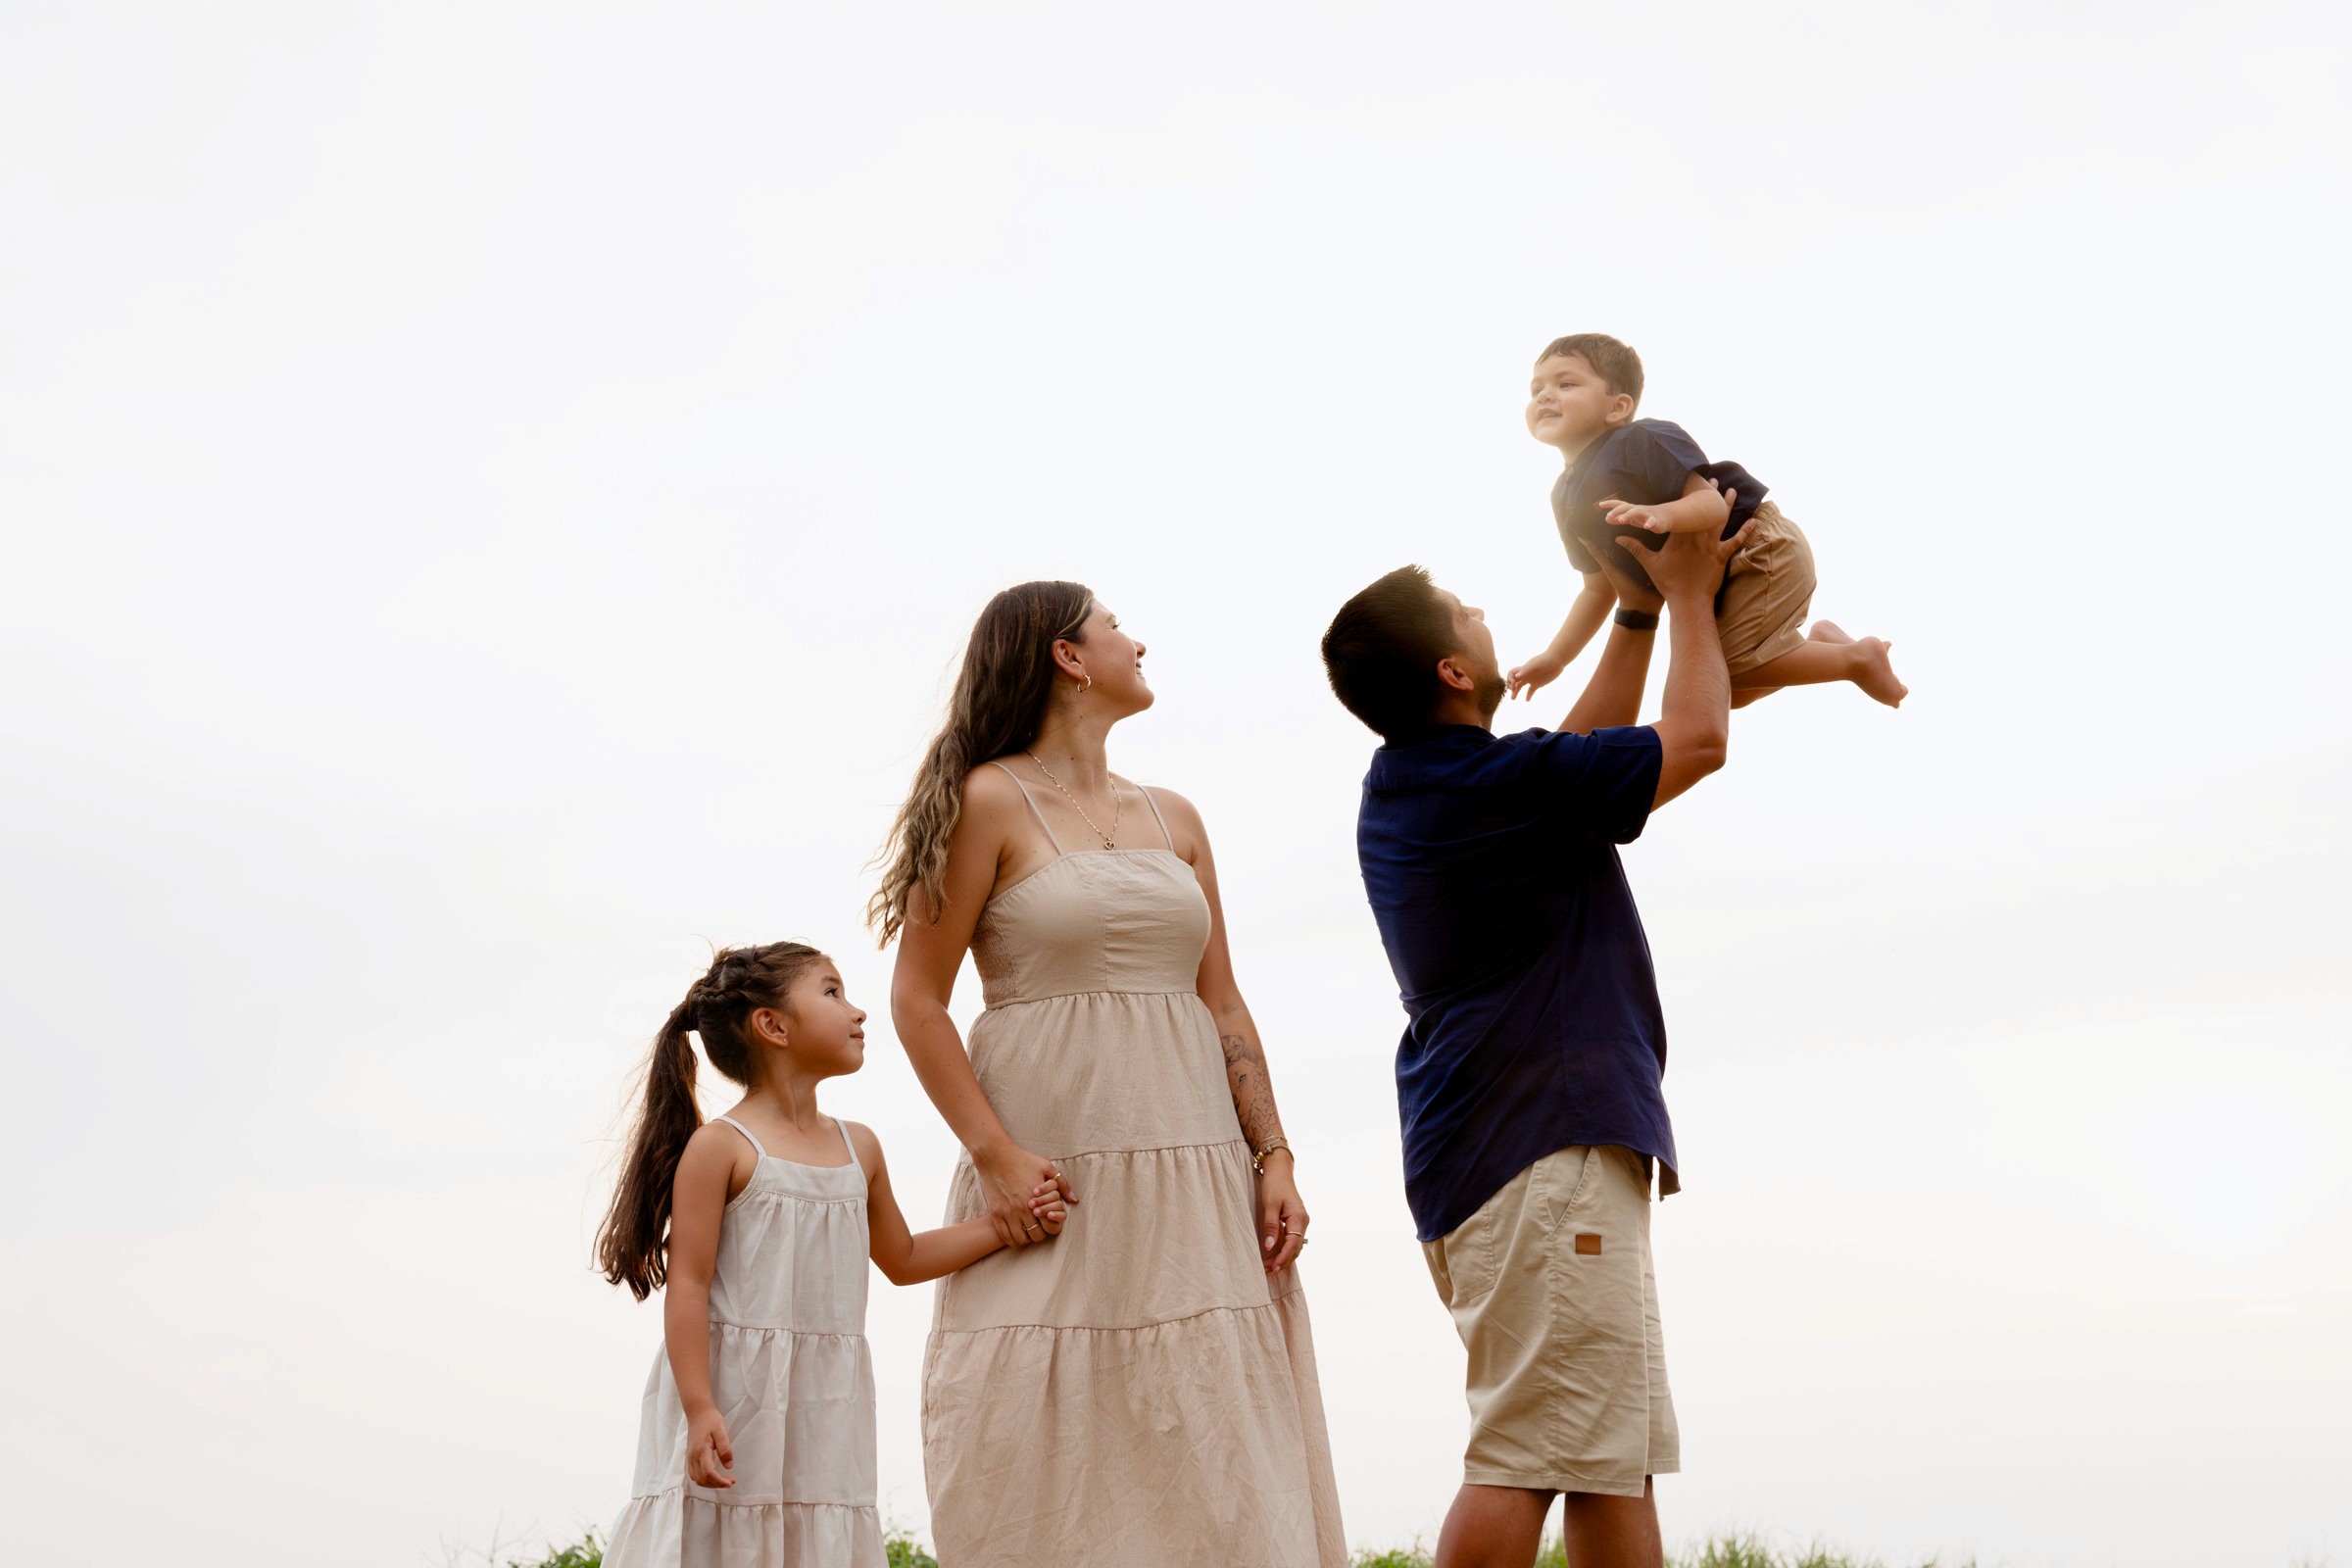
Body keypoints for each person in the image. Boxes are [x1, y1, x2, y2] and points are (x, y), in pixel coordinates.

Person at [870, 581, 1347, 1568]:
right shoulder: (988, 799)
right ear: (1068, 658)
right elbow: (919, 1000)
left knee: (1208, 1431)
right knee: (1031, 1425)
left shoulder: (1176, 817)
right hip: (1051, 1167)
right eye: (1115, 625)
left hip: (1194, 1166)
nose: (1139, 641)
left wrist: (1276, 1154)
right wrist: (996, 1155)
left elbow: (1222, 1000)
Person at [1319, 515, 1752, 1568]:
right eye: (1469, 610)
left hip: (1527, 1145)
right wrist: (1691, 590)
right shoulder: (1481, 790)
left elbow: (1579, 754)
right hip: (1540, 1148)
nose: (1486, 611)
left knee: (1609, 1458)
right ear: (1455, 668)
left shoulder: (1441, 783)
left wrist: (1641, 609)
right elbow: (1694, 742)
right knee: (1527, 1452)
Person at [594, 941, 1064, 1568]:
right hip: (732, 1400)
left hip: (824, 1403)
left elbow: (903, 1258)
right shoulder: (722, 1148)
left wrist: (1009, 1227)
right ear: (773, 1025)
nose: (857, 1011)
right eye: (832, 992)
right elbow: (689, 1286)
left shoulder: (859, 1148)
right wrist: (701, 1408)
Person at [1508, 331, 1907, 710]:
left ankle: (1858, 658)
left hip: (1755, 546)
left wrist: (1660, 514)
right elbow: (1598, 590)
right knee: (1716, 690)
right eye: (1535, 388)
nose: (1545, 396)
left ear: (1618, 407)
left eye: (1565, 384)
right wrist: (1556, 658)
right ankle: (1820, 645)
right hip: (1713, 581)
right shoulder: (1565, 497)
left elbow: (1712, 504)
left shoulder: (1640, 440)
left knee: (1732, 670)